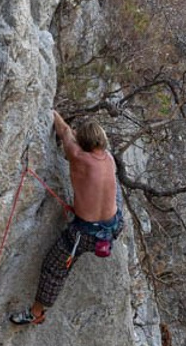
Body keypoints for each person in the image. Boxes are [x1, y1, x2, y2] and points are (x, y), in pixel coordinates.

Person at [9, 111, 122, 326]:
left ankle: (36, 313)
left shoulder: (78, 156)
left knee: (54, 268)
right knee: (115, 199)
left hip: (84, 233)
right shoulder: (109, 159)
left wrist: (50, 110)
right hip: (114, 225)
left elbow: (63, 130)